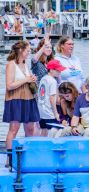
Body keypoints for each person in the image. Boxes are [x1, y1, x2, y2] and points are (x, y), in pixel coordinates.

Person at [3, 41, 39, 169]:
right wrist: (26, 79)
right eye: (28, 50)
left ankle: (27, 154)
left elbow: (26, 81)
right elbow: (9, 85)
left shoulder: (25, 64)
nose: (29, 52)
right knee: (14, 128)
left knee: (30, 128)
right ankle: (9, 157)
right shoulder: (11, 65)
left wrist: (33, 80)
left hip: (28, 99)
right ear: (20, 51)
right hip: (16, 99)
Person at [37, 60, 65, 136]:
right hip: (49, 112)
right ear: (51, 70)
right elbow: (52, 98)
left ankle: (41, 146)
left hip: (41, 111)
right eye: (58, 70)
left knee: (43, 129)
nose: (60, 72)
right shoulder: (52, 81)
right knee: (54, 131)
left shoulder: (43, 78)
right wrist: (56, 113)